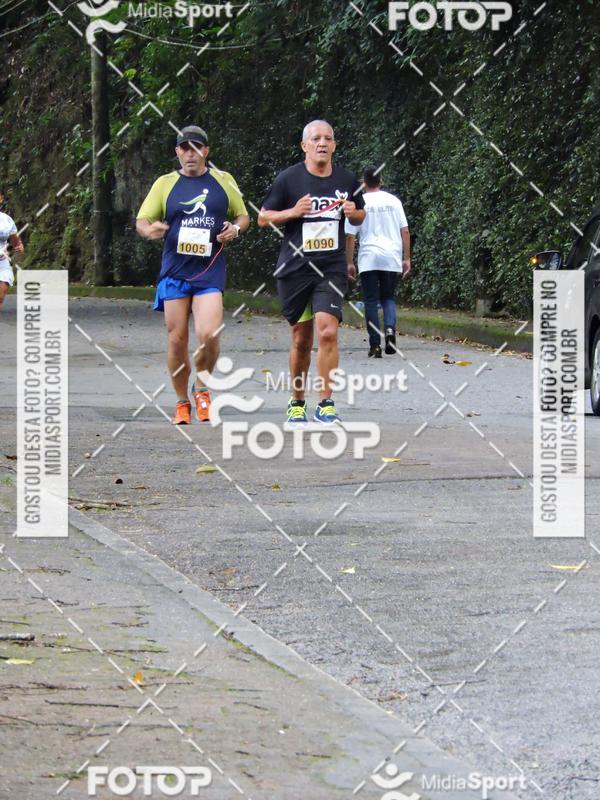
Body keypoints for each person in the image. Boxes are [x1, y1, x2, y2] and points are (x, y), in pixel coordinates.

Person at [136, 126, 250, 424]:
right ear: (177, 152)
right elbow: (142, 220)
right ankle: (181, 401)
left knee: (209, 334)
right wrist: (149, 230)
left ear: (206, 151)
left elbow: (243, 216)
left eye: (196, 147)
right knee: (177, 340)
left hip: (209, 270)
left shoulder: (223, 180)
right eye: (184, 148)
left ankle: (201, 388)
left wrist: (235, 229)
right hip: (174, 272)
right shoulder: (165, 184)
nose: (190, 153)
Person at [258, 120, 366, 426]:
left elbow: (360, 213)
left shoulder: (346, 179)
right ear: (304, 145)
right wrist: (293, 212)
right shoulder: (288, 179)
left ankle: (326, 403)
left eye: (328, 138)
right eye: (316, 138)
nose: (322, 143)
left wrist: (353, 213)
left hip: (331, 267)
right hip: (295, 268)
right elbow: (263, 218)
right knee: (301, 339)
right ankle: (297, 402)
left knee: (328, 331)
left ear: (334, 145)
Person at [345, 167, 410, 357]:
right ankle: (390, 330)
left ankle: (375, 344)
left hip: (368, 258)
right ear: (381, 180)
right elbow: (405, 230)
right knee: (388, 297)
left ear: (363, 182)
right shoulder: (394, 201)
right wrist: (406, 258)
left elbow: (350, 236)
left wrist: (349, 262)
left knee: (371, 301)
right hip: (391, 256)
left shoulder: (359, 203)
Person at [0, 190, 25, 311]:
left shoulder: (7, 220)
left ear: (1, 199)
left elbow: (16, 242)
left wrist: (19, 247)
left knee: (0, 296)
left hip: (2, 262)